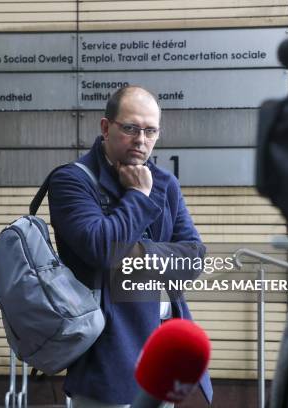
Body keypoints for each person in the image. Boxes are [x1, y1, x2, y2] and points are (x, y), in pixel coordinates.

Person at [48, 86, 212, 407]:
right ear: (106, 127)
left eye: (150, 131)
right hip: (110, 354)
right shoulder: (73, 181)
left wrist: (138, 252)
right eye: (131, 128)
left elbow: (193, 257)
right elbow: (104, 250)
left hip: (164, 351)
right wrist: (138, 196)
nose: (141, 139)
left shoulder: (165, 183)